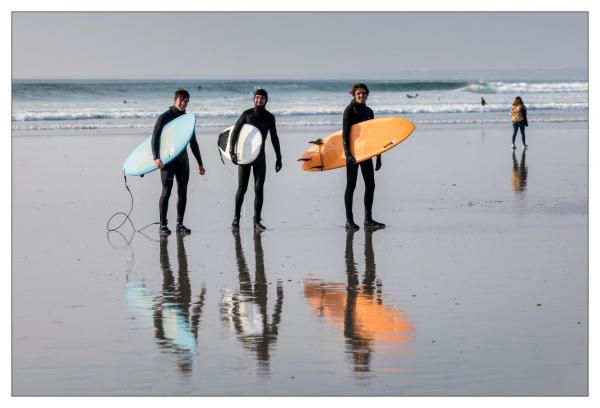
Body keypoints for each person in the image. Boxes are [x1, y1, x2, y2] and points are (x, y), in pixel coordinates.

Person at [151, 89, 205, 236]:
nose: (183, 103)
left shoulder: (188, 120)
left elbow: (193, 143)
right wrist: (156, 157)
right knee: (166, 191)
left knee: (183, 193)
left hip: (183, 160)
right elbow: (155, 138)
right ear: (174, 100)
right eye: (181, 100)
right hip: (168, 160)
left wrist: (200, 163)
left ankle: (180, 224)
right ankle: (163, 225)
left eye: (186, 101)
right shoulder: (164, 117)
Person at [229, 89, 282, 231]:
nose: (259, 100)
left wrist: (279, 157)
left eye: (262, 98)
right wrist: (231, 151)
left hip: (260, 157)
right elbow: (235, 131)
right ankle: (236, 219)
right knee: (242, 188)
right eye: (257, 98)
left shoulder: (270, 117)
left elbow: (274, 138)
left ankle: (256, 221)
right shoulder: (247, 114)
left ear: (266, 101)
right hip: (244, 156)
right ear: (254, 99)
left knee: (259, 189)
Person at [342, 83, 384, 230]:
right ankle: (349, 220)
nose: (361, 95)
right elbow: (345, 134)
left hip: (367, 152)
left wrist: (378, 155)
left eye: (364, 93)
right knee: (351, 186)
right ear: (354, 95)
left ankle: (368, 220)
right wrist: (348, 154)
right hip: (353, 153)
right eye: (358, 93)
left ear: (367, 95)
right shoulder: (349, 110)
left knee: (370, 185)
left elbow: (372, 135)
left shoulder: (369, 111)